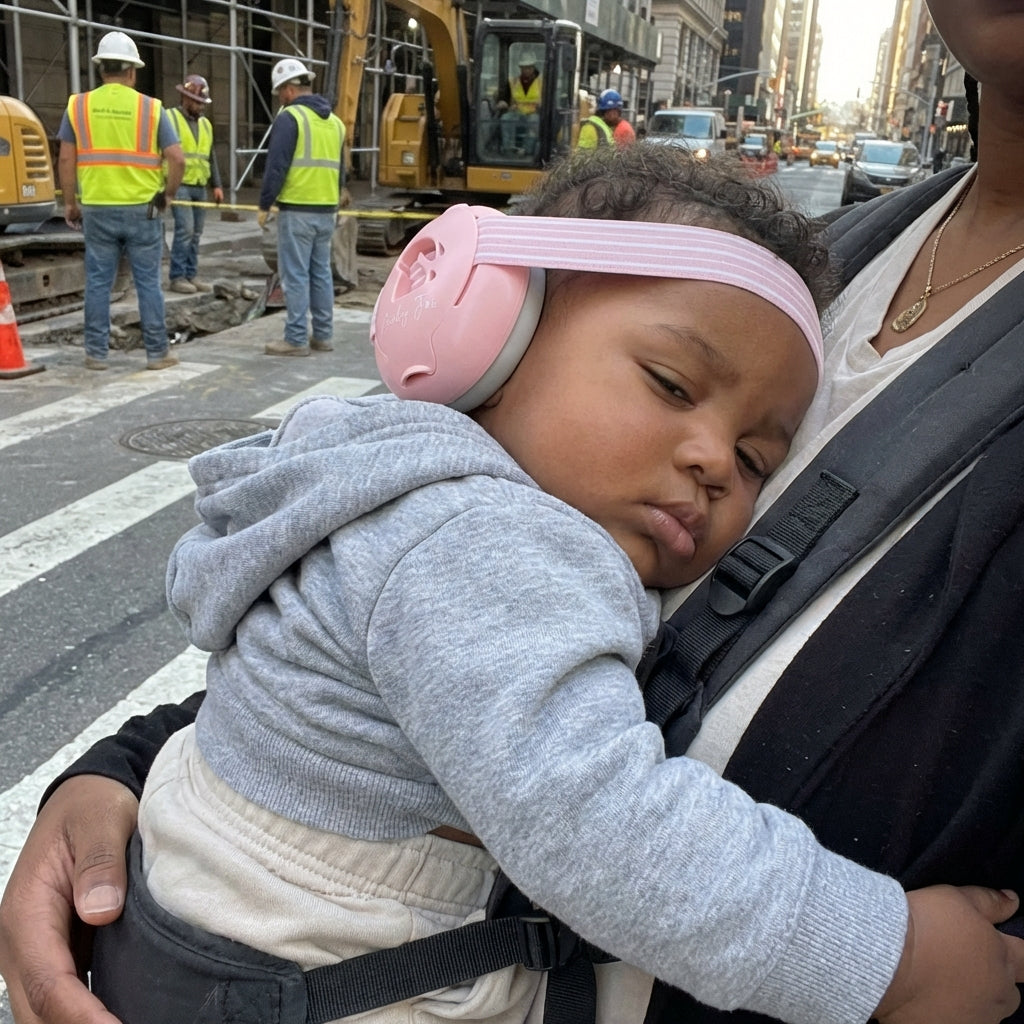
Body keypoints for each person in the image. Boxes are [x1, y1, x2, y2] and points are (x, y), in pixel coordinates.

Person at [7, 0, 1024, 1009]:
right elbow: (600, 827)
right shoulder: (491, 533)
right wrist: (885, 955)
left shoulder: (423, 483)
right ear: (496, 335)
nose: (717, 460)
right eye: (670, 385)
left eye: (760, 459)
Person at [57, 30, 184, 372]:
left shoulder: (78, 106)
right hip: (143, 210)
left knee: (98, 283)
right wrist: (168, 195)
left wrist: (70, 203)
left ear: (101, 69)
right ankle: (157, 353)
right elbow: (177, 158)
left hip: (97, 209)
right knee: (148, 283)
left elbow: (65, 158)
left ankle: (96, 354)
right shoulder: (151, 108)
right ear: (131, 71)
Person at [257, 56, 345, 357]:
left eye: (280, 92)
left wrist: (264, 204)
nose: (280, 98)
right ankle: (323, 335)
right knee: (321, 274)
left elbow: (276, 167)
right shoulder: (335, 123)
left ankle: (295, 338)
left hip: (297, 211)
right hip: (327, 211)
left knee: (294, 275)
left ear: (289, 90)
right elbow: (341, 172)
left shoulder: (290, 117)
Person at [167, 74, 224, 294]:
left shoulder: (206, 125)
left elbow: (211, 156)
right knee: (186, 230)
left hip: (199, 185)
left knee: (197, 233)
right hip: (179, 184)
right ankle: (177, 277)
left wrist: (217, 185)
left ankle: (191, 274)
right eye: (198, 102)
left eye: (203, 103)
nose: (201, 107)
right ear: (185, 98)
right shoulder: (170, 118)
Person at [496, 52, 542, 155]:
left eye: (529, 67)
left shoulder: (541, 82)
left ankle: (526, 150)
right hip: (517, 112)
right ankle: (508, 148)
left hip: (534, 113)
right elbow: (505, 97)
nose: (526, 70)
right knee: (506, 118)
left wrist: (541, 106)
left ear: (533, 67)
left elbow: (547, 99)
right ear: (520, 68)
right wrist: (503, 102)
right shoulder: (513, 81)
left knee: (534, 121)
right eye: (524, 67)